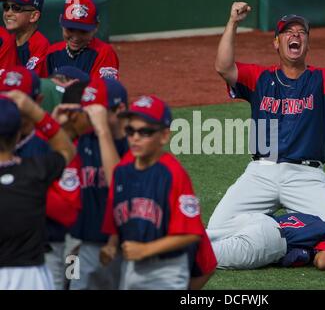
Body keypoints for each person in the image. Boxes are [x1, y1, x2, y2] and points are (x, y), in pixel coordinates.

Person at [208, 2, 325, 232]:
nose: (295, 35)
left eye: (301, 33)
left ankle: (283, 235)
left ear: (307, 44)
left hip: (306, 176)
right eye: (287, 32)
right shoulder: (259, 77)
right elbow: (223, 67)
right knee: (217, 228)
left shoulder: (321, 80)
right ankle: (275, 229)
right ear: (277, 42)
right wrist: (233, 23)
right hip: (261, 172)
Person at [100, 96, 205, 290]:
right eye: (130, 131)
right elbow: (117, 218)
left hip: (166, 270)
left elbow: (191, 233)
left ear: (164, 136)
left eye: (145, 131)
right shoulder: (121, 171)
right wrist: (112, 245)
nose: (135, 137)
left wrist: (145, 250)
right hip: (131, 266)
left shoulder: (173, 174)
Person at [0, 65, 82, 290]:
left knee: (72, 285)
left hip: (52, 251)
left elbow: (68, 213)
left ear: (38, 100)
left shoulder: (47, 147)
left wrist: (21, 194)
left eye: (18, 101)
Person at [66, 77, 128, 290]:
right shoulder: (85, 139)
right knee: (69, 284)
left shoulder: (134, 144)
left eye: (97, 112)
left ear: (119, 109)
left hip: (117, 247)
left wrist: (102, 131)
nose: (91, 118)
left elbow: (119, 182)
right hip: (80, 245)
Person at [208, 212, 325, 271]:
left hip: (254, 219)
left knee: (199, 237)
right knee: (203, 255)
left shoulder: (315, 219)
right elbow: (323, 262)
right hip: (266, 239)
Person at [45, 0, 119, 79]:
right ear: (61, 22)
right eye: (70, 29)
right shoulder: (52, 52)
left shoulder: (104, 53)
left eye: (83, 32)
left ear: (96, 27)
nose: (76, 37)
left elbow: (103, 90)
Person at [1, 0, 49, 77]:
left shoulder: (40, 45)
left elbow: (28, 83)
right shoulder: (6, 41)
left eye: (16, 8)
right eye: (6, 7)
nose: (8, 13)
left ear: (33, 16)